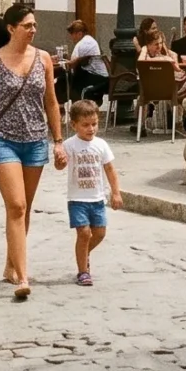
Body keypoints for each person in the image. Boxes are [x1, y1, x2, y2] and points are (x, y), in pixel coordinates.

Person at [0, 4, 64, 301]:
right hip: (4, 140)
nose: (33, 29)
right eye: (27, 25)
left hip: (36, 140)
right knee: (15, 205)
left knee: (24, 207)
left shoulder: (43, 59)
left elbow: (51, 102)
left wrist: (59, 140)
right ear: (12, 28)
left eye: (34, 25)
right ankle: (23, 277)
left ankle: (11, 264)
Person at [61, 99, 122, 286]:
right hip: (77, 199)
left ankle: (84, 252)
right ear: (74, 125)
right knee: (84, 233)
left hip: (97, 198)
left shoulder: (101, 145)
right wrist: (60, 160)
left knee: (100, 233)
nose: (91, 129)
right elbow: (60, 165)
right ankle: (83, 272)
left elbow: (110, 169)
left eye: (94, 124)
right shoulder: (69, 145)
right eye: (85, 125)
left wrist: (116, 192)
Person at [64, 19, 109, 106]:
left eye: (72, 34)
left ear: (79, 33)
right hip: (98, 75)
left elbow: (72, 65)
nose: (71, 37)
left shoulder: (84, 43)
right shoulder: (89, 40)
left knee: (68, 79)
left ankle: (75, 107)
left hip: (98, 77)